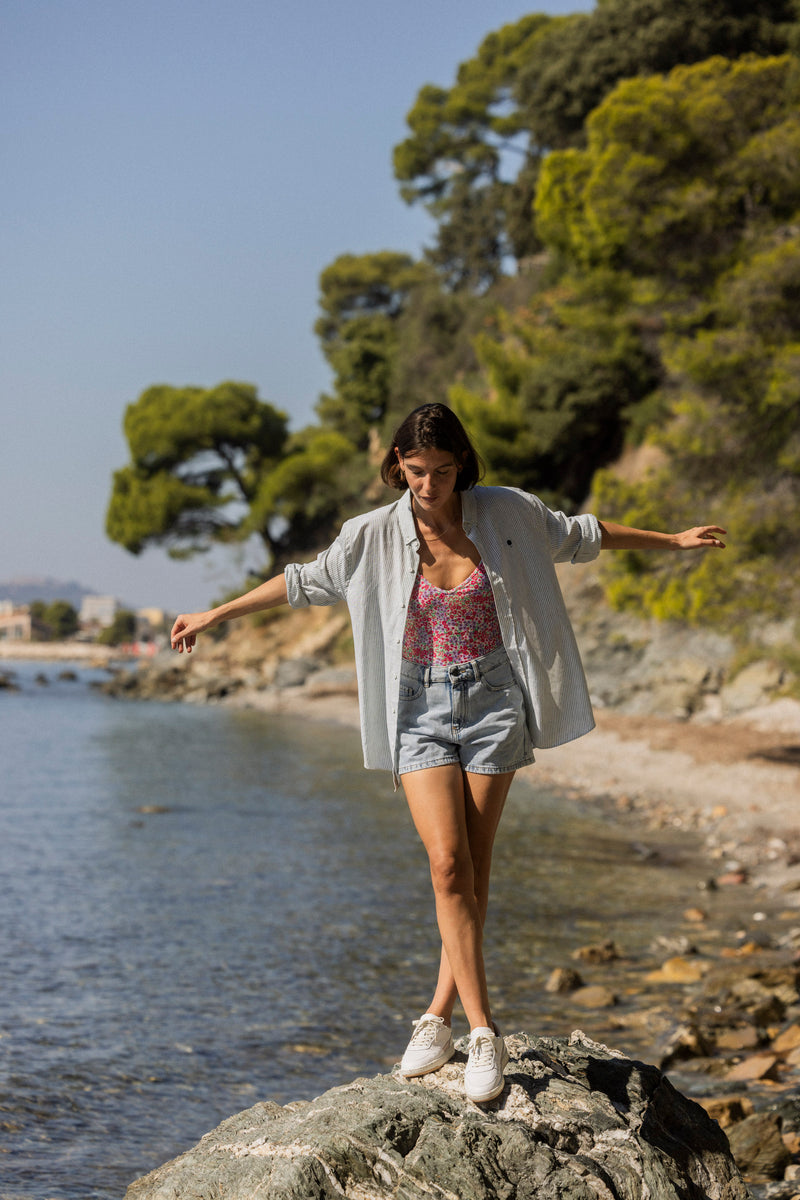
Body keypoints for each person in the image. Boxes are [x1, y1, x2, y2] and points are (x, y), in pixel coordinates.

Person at [170, 403, 725, 1104]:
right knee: (446, 863)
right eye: (414, 471)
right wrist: (213, 614)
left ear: (461, 464)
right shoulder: (372, 534)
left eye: (440, 471)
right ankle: (484, 1030)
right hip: (419, 712)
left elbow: (582, 536)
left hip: (496, 704)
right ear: (396, 466)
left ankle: (437, 1016)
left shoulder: (507, 514)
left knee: (474, 867)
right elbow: (304, 581)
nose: (427, 486)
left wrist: (672, 541)